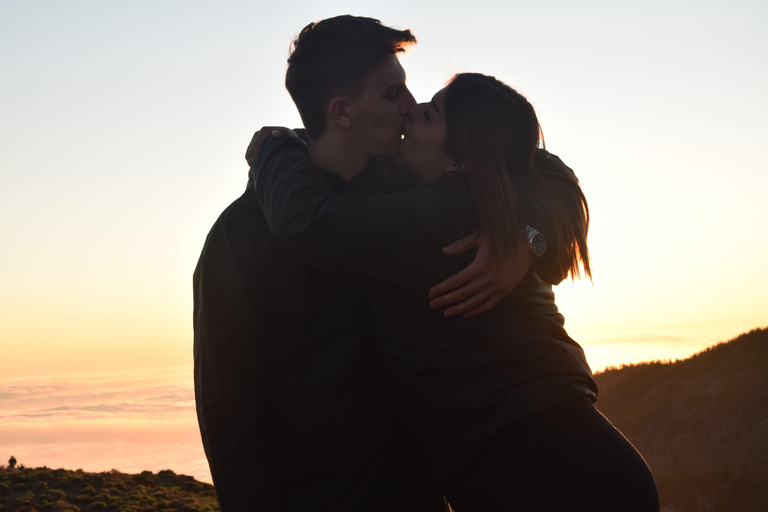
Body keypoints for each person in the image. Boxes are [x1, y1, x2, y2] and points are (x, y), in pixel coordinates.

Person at [251, 73, 660, 511]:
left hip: (546, 474)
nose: (411, 111)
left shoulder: (441, 215)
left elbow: (307, 221)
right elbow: (548, 165)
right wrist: (531, 237)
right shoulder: (496, 196)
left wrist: (275, 150)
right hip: (571, 461)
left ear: (461, 160)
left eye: (430, 115)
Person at [194, 16, 553, 511]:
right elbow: (227, 409)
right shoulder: (241, 234)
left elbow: (537, 169)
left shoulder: (416, 185)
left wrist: (527, 239)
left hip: (423, 493)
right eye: (391, 94)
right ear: (342, 112)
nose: (411, 105)